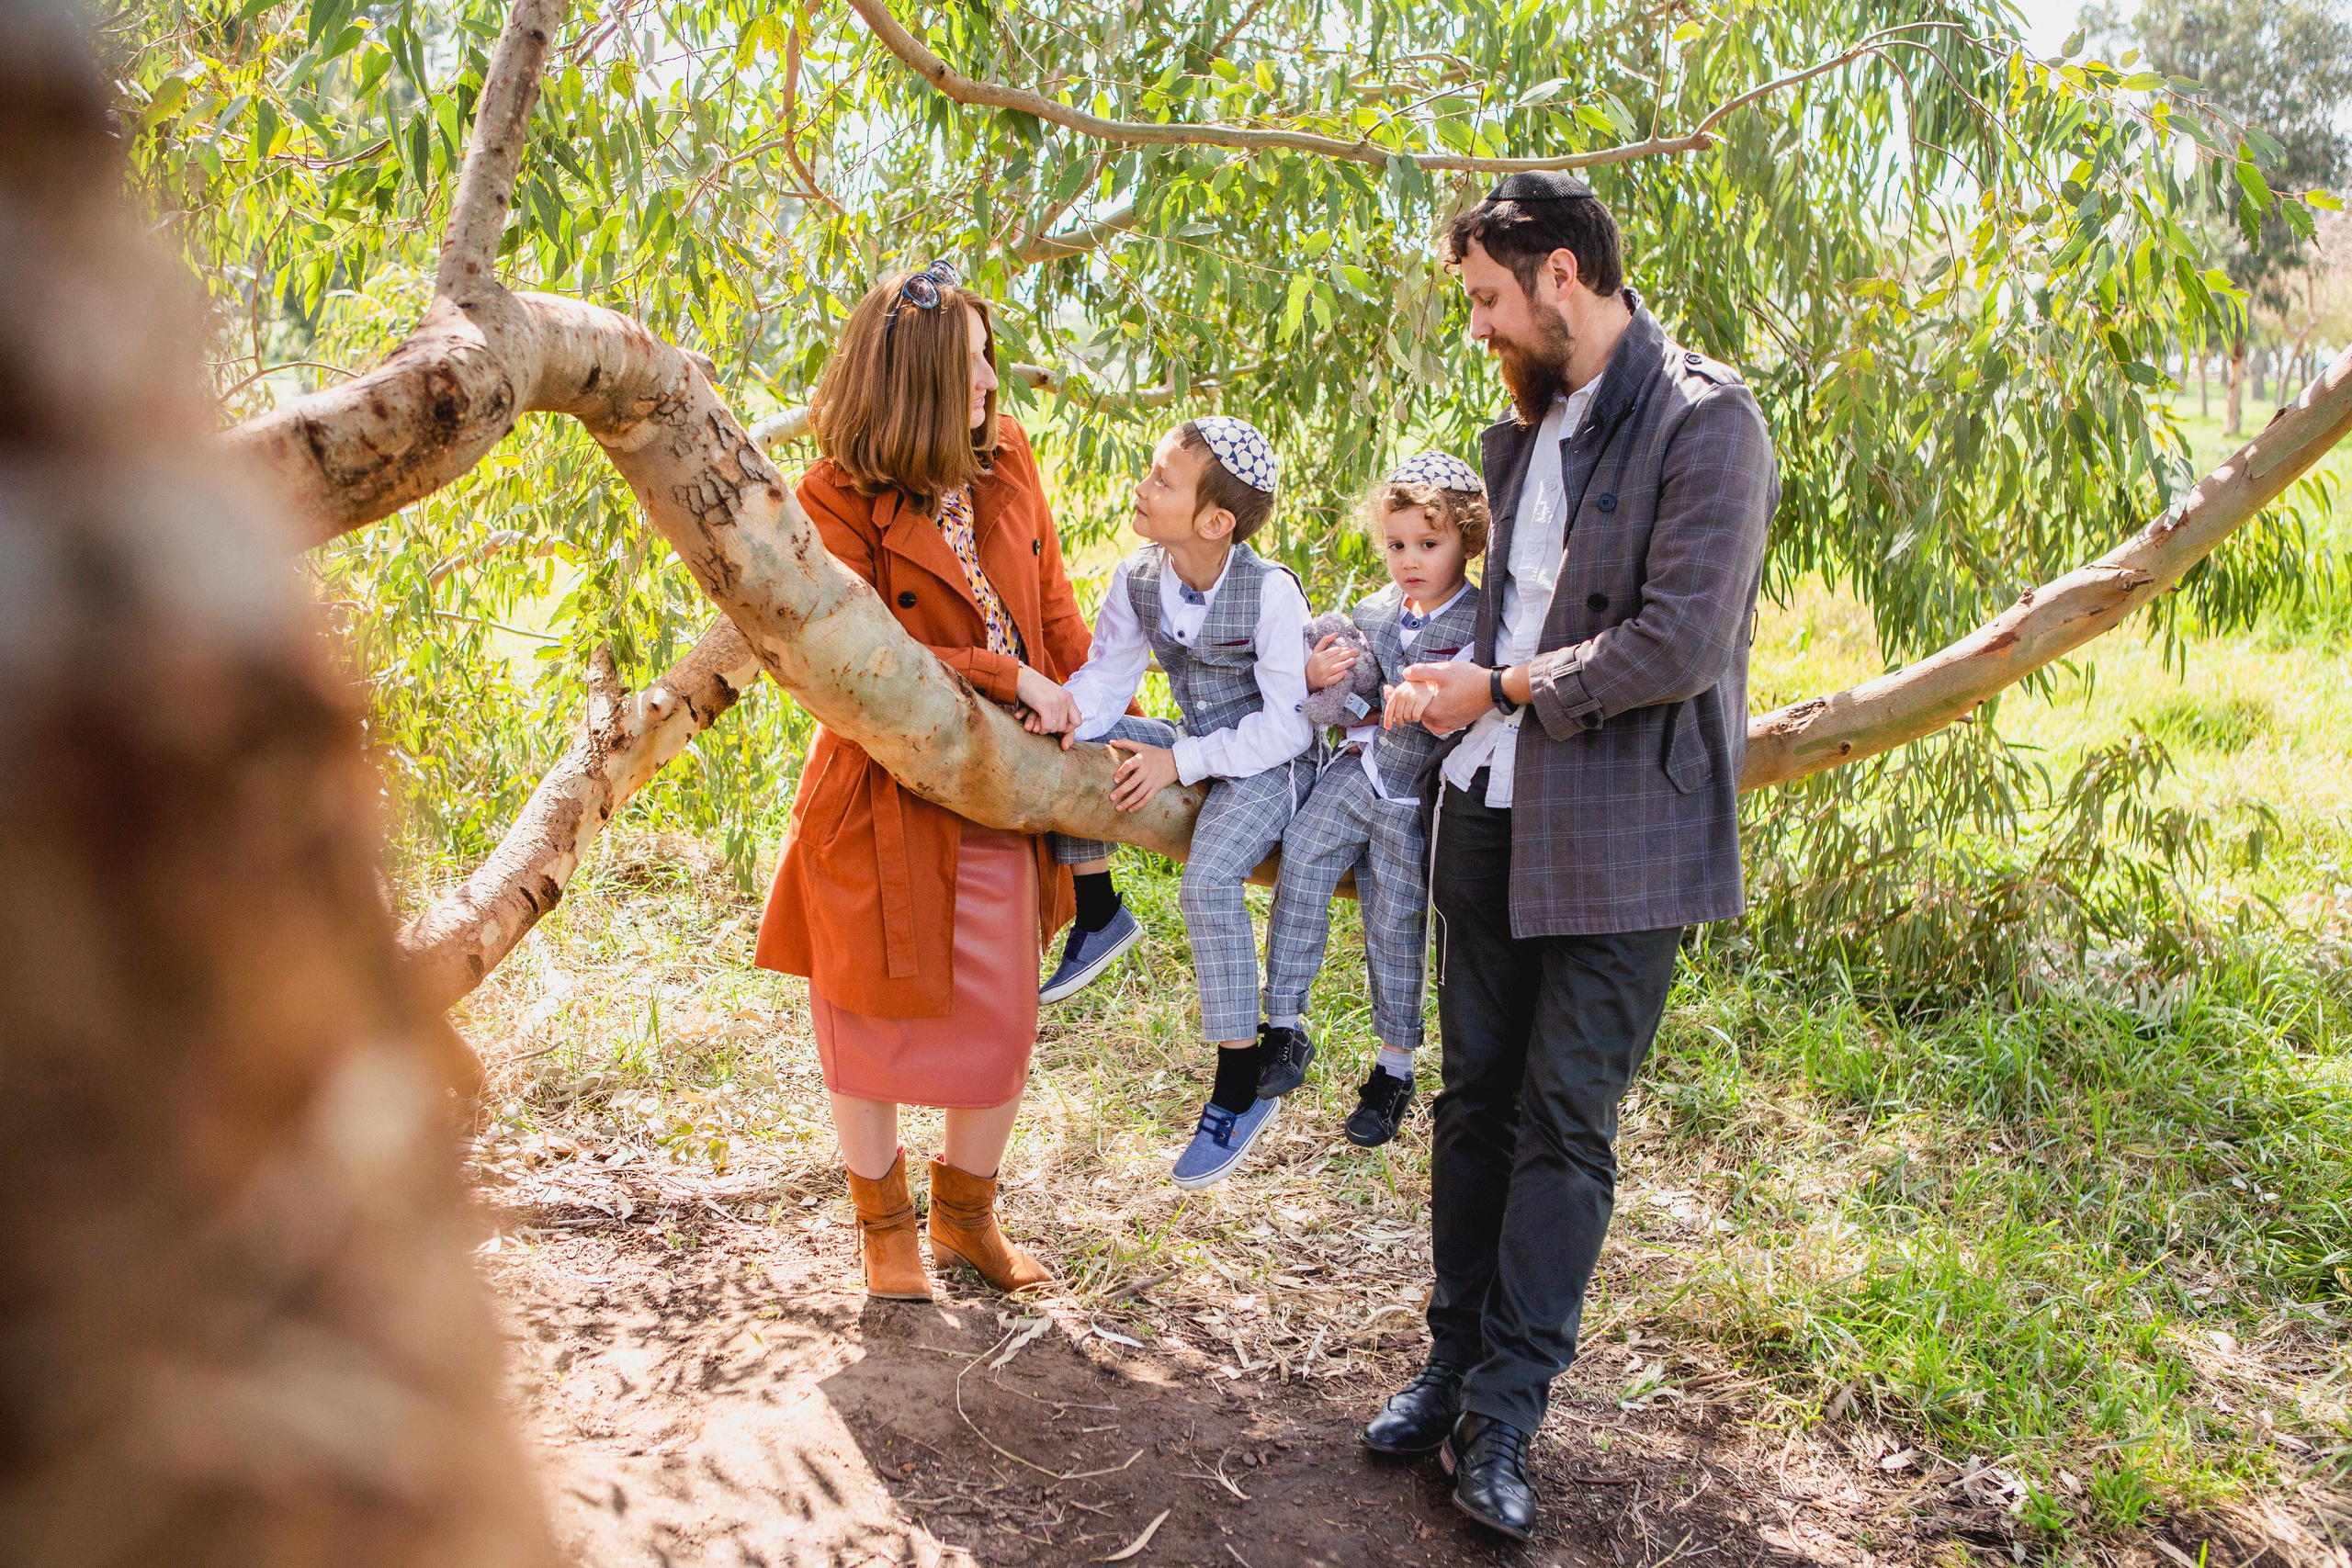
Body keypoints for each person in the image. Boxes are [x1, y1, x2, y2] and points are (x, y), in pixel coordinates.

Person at [1361, 173, 1779, 1541]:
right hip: (1484, 810)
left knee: (1564, 1123)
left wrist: (1509, 686)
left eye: (1489, 299)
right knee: (1476, 1102)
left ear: (1558, 276)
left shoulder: (1709, 423)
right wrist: (1446, 683)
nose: (1480, 327)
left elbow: (1681, 640)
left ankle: (1507, 1415)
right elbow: (1500, 615)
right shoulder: (1521, 433)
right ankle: (1447, 1363)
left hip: (1623, 839)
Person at [752, 260, 1094, 1303]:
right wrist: (1009, 675)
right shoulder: (826, 499)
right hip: (881, 784)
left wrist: (1087, 694)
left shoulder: (1007, 457)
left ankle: (966, 1219)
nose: (992, 389)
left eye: (992, 366)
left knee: (1001, 1020)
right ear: (916, 385)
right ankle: (884, 1233)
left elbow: (1050, 593)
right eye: (975, 373)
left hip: (1012, 779)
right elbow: (863, 660)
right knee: (865, 1017)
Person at [1038, 416, 1315, 1190]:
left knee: (1207, 882)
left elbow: (1287, 726)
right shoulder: (1138, 575)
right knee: (1071, 747)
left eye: (1162, 480)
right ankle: (1098, 910)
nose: (1142, 486)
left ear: (1215, 521)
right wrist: (1059, 715)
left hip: (1268, 766)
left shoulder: (1270, 593)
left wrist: (1179, 761)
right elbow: (1104, 678)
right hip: (1195, 746)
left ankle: (1238, 1086)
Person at [1260, 455, 1487, 1147]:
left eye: (1428, 543)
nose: (1409, 560)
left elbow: (1475, 705)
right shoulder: (1375, 611)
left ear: (1467, 541)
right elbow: (1353, 697)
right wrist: (1330, 678)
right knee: (1302, 856)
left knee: (1396, 917)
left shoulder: (1482, 618)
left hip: (1418, 795)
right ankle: (1285, 1024)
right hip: (1361, 769)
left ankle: (1394, 1065)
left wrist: (1431, 698)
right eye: (1396, 545)